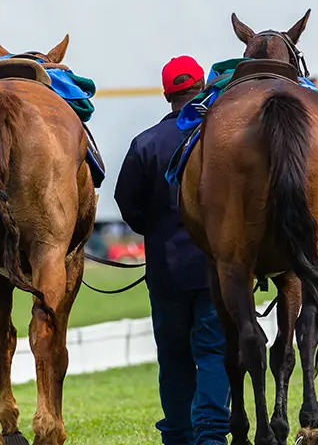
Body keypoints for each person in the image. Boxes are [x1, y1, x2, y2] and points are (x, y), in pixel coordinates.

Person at [114, 56, 230, 445]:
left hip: (167, 270)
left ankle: (178, 435)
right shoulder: (225, 137)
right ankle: (213, 435)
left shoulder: (145, 143)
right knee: (213, 352)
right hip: (217, 266)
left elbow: (127, 203)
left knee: (174, 357)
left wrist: (157, 231)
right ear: (203, 85)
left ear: (167, 94)